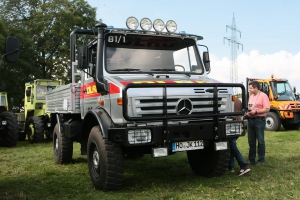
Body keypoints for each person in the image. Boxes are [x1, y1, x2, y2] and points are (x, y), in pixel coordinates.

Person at [247, 81, 270, 166]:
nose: (249, 89)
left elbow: (267, 109)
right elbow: (250, 107)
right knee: (251, 141)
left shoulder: (263, 96)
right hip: (251, 120)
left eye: (251, 88)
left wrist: (256, 112)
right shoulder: (251, 96)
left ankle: (261, 159)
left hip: (259, 120)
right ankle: (251, 159)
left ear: (256, 88)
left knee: (260, 141)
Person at [228, 97, 251, 176]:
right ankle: (230, 167)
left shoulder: (227, 99)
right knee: (231, 145)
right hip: (237, 124)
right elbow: (242, 112)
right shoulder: (237, 100)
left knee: (231, 145)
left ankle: (243, 165)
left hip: (229, 124)